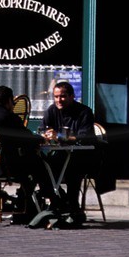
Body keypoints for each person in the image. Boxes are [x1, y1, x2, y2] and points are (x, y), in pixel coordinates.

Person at [39, 79, 97, 225]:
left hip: (82, 156)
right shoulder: (52, 110)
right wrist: (46, 135)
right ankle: (55, 200)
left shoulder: (84, 112)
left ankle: (72, 206)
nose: (59, 100)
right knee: (40, 166)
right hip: (59, 155)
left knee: (72, 169)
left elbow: (84, 137)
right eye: (56, 96)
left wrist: (59, 137)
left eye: (63, 96)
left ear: (72, 96)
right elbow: (42, 129)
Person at [0, 85, 46, 215]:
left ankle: (23, 201)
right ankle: (29, 203)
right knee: (38, 165)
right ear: (9, 101)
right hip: (5, 168)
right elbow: (27, 137)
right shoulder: (10, 118)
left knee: (33, 164)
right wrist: (42, 138)